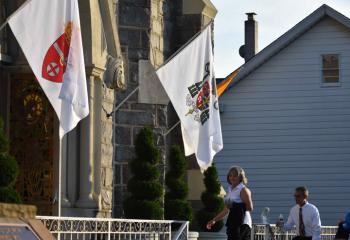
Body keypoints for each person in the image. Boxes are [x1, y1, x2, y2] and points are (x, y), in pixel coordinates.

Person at [206, 166, 253, 240]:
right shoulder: (230, 190)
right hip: (233, 223)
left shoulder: (243, 190)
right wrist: (214, 220)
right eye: (230, 175)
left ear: (240, 177)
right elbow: (226, 210)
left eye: (235, 175)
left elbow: (250, 208)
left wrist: (234, 206)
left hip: (243, 224)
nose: (232, 177)